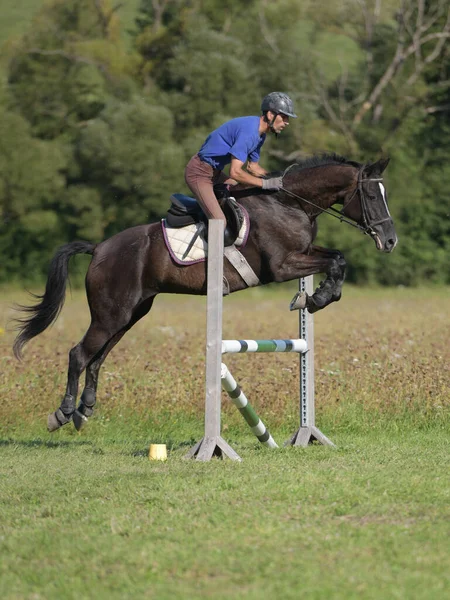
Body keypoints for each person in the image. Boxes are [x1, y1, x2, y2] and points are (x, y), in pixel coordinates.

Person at [184, 92, 297, 224]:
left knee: (246, 194)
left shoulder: (260, 135)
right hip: (199, 173)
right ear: (270, 114)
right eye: (284, 117)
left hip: (216, 173)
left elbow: (253, 167)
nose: (287, 122)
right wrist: (265, 184)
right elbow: (235, 172)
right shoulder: (250, 132)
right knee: (219, 220)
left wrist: (276, 180)